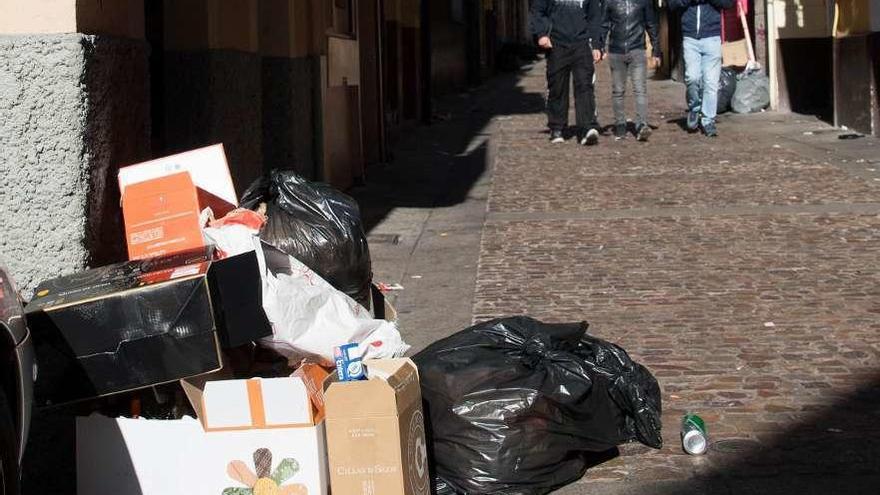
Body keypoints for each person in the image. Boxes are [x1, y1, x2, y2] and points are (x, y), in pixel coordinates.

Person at [530, 0, 604, 146]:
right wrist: (541, 34)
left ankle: (587, 127)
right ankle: (557, 127)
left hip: (582, 43)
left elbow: (594, 16)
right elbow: (537, 10)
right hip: (556, 43)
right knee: (557, 87)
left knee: (585, 85)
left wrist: (596, 44)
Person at [670, 0, 734, 137]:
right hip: (690, 38)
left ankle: (708, 120)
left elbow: (728, 3)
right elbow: (672, 4)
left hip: (712, 37)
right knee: (692, 78)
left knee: (711, 82)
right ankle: (694, 108)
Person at [599, 0, 662, 141]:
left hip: (637, 49)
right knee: (618, 90)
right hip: (616, 50)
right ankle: (620, 124)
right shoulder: (610, 2)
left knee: (640, 89)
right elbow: (604, 25)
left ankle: (641, 124)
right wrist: (600, 46)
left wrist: (656, 50)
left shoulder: (643, 2)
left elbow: (651, 24)